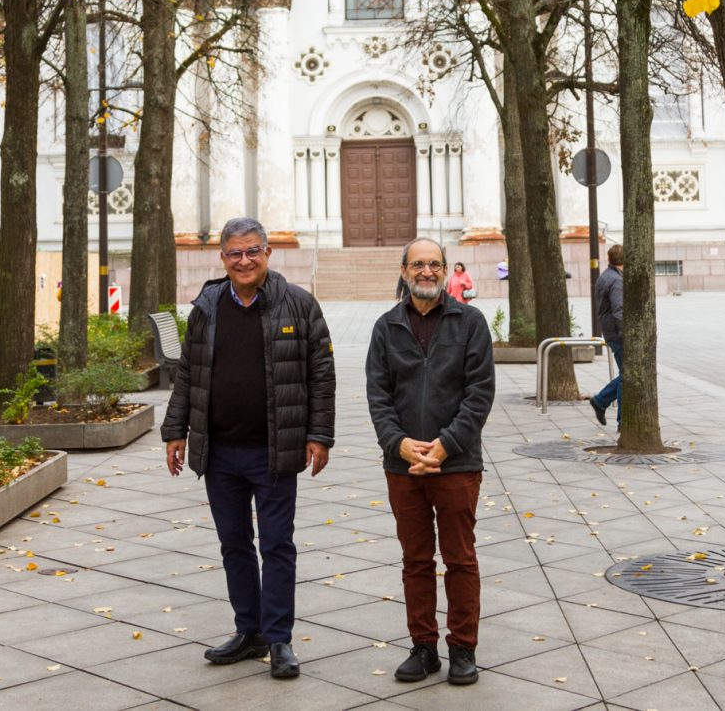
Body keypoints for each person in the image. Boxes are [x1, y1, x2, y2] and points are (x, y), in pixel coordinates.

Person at [161, 217, 335, 681]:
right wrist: (174, 431)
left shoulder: (298, 305)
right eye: (234, 253)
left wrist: (319, 435)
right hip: (220, 452)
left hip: (274, 450)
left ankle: (278, 640)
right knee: (234, 545)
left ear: (268, 253)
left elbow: (321, 376)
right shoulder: (207, 307)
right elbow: (188, 374)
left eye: (252, 251)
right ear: (222, 258)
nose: (244, 260)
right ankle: (249, 631)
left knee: (277, 545)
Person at [366, 237, 495, 687]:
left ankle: (463, 648)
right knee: (415, 560)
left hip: (456, 464)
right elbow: (378, 395)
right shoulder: (386, 327)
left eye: (434, 264)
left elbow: (479, 393)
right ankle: (423, 648)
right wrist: (397, 443)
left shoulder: (471, 322)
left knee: (460, 559)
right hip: (402, 466)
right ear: (403, 272)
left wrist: (445, 446)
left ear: (445, 271)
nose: (426, 272)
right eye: (417, 264)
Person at [590, 243, 623, 428]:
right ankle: (620, 418)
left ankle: (600, 401)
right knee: (627, 376)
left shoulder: (605, 276)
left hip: (609, 330)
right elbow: (619, 311)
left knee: (626, 374)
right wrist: (625, 334)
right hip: (617, 333)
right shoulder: (617, 281)